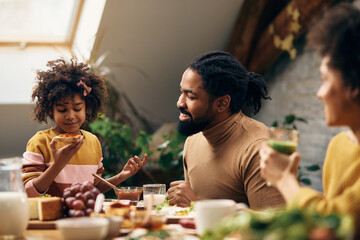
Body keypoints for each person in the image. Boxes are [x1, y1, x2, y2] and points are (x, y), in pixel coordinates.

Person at [259, 2, 360, 236]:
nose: (319, 93)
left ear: (354, 85)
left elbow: (331, 226)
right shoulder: (339, 147)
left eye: (325, 79)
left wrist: (284, 179)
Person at [167, 51, 285, 209]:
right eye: (182, 92)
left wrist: (196, 206)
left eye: (191, 96)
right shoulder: (193, 140)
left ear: (222, 103)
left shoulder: (259, 149)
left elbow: (273, 226)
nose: (179, 103)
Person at [22, 58, 147, 197]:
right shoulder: (40, 142)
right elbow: (28, 191)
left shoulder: (93, 142)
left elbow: (92, 188)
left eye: (77, 108)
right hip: (52, 217)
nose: (70, 116)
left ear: (87, 108)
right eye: (62, 110)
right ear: (50, 110)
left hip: (84, 216)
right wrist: (58, 165)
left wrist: (122, 176)